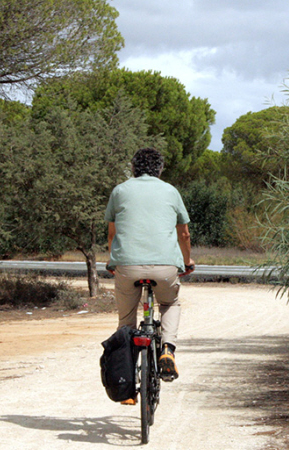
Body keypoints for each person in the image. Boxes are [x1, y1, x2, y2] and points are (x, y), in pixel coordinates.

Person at [105, 147, 195, 394]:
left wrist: (113, 261)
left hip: (127, 266)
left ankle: (125, 376)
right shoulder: (171, 191)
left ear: (133, 168)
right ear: (160, 169)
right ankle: (167, 349)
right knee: (170, 303)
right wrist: (187, 261)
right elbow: (184, 234)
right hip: (165, 268)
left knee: (126, 320)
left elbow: (112, 234)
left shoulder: (120, 190)